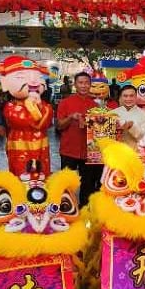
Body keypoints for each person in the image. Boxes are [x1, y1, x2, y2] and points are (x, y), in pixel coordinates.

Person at [56, 72, 98, 206]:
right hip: (69, 150)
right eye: (81, 83)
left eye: (86, 83)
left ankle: (85, 211)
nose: (84, 86)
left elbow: (100, 131)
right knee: (66, 184)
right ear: (75, 84)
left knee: (88, 185)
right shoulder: (65, 103)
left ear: (90, 85)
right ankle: (66, 209)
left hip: (89, 151)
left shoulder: (96, 106)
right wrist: (71, 117)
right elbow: (59, 126)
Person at [112, 85, 145, 150]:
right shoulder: (112, 113)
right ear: (120, 97)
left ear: (136, 97)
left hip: (135, 154)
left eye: (131, 96)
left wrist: (132, 126)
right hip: (116, 152)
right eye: (125, 96)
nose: (128, 99)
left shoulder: (143, 114)